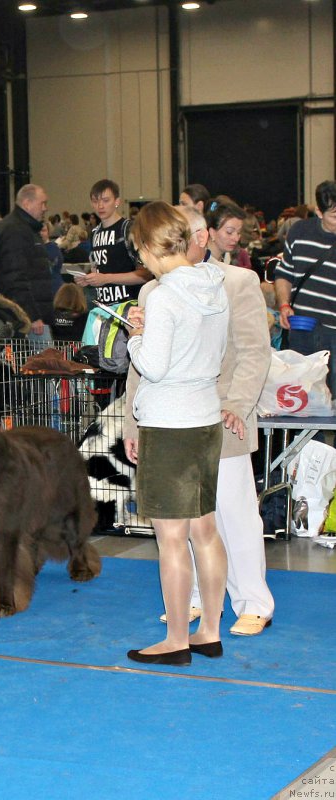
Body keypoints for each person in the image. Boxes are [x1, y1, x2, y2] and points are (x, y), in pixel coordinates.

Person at [125, 205, 274, 637]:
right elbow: (141, 373)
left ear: (201, 237)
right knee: (182, 523)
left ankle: (253, 602)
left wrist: (238, 404)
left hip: (222, 418)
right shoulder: (152, 291)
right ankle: (190, 603)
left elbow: (254, 352)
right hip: (166, 420)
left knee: (234, 514)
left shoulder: (238, 282)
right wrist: (132, 424)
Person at [122, 201, 232, 666]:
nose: (141, 260)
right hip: (206, 419)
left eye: (139, 250)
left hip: (169, 425)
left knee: (171, 538)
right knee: (205, 531)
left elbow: (154, 366)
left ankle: (175, 641)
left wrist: (134, 335)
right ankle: (209, 629)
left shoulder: (162, 295)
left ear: (149, 245)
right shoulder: (215, 284)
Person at [275, 180, 336, 397]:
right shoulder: (299, 232)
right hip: (302, 329)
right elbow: (284, 273)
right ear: (319, 212)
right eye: (334, 216)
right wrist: (284, 304)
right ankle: (309, 434)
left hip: (334, 332)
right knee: (303, 397)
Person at [0, 183, 54, 340]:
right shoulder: (15, 230)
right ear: (27, 203)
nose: (45, 208)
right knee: (44, 363)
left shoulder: (26, 229)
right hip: (25, 319)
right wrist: (32, 315)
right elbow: (15, 277)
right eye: (42, 203)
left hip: (26, 315)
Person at [73, 179, 150, 305]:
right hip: (105, 307)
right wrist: (89, 279)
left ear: (117, 201)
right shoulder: (94, 233)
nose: (100, 206)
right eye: (95, 201)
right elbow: (98, 269)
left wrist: (106, 278)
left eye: (105, 200)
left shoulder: (130, 229)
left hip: (129, 307)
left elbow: (145, 274)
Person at [205, 198, 246, 264]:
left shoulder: (226, 256)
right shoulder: (199, 262)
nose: (236, 239)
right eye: (229, 232)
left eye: (238, 233)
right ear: (212, 232)